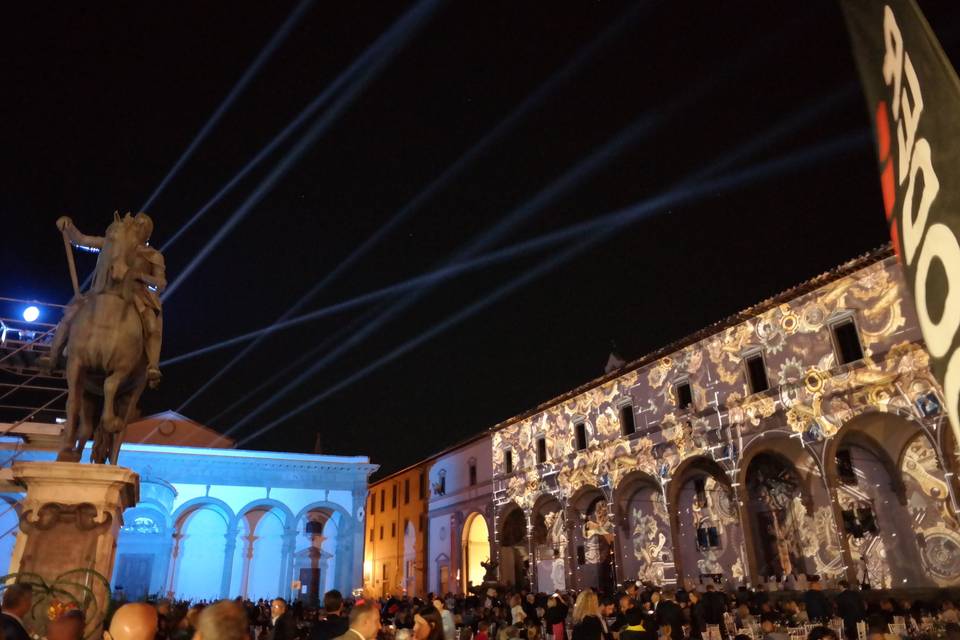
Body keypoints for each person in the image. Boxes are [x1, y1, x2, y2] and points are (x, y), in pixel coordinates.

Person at [44, 214, 166, 385]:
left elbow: (161, 283)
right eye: (136, 224)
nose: (138, 228)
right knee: (71, 314)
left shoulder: (154, 255)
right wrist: (68, 226)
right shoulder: (114, 244)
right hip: (105, 290)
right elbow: (82, 240)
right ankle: (52, 355)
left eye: (143, 226)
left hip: (136, 294)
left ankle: (153, 365)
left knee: (152, 325)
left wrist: (137, 275)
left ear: (148, 232)